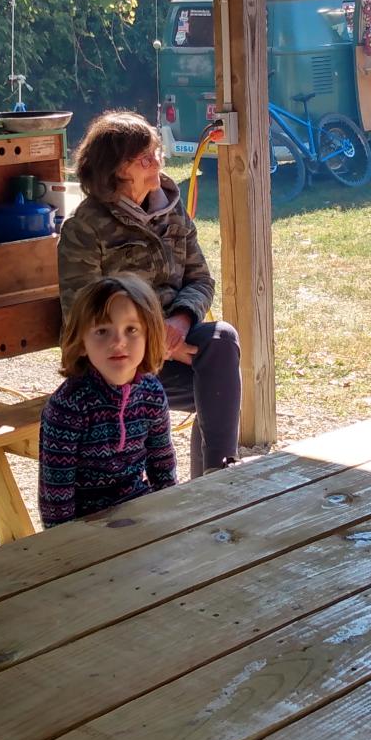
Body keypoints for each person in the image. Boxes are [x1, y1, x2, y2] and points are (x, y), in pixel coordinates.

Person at [58, 111, 241, 474]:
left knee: (221, 341)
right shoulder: (84, 228)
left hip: (172, 349)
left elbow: (201, 280)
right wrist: (157, 342)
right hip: (115, 358)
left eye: (156, 153)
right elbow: (84, 314)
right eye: (144, 158)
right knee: (215, 385)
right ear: (115, 169)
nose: (157, 162)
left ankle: (218, 475)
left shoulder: (171, 212)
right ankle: (212, 482)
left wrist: (182, 320)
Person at [38, 273, 176, 526]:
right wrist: (63, 544)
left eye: (131, 330)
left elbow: (162, 466)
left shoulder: (152, 394)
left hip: (138, 511)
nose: (118, 342)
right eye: (102, 331)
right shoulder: (68, 407)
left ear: (149, 335)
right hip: (86, 524)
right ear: (82, 343)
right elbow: (56, 496)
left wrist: (169, 520)